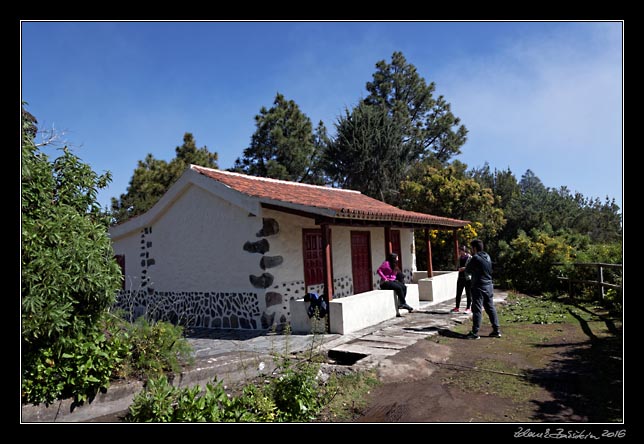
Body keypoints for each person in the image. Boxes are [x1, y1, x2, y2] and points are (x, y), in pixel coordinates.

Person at [463, 239, 502, 339]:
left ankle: (475, 333)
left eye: (471, 248)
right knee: (490, 308)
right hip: (489, 285)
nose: (471, 250)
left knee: (477, 309)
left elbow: (467, 270)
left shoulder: (475, 258)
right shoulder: (487, 256)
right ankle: (496, 330)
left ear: (474, 248)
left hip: (478, 286)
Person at [451, 245, 472, 313]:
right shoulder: (459, 258)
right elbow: (457, 266)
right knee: (458, 293)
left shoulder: (469, 258)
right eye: (459, 250)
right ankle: (457, 307)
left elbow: (472, 268)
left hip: (467, 278)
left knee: (468, 293)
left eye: (461, 250)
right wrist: (458, 268)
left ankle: (468, 308)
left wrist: (464, 268)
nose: (460, 252)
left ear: (464, 250)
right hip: (460, 277)